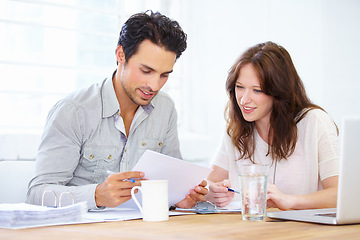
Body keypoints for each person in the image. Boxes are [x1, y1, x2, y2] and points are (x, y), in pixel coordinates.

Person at [27, 11, 207, 210]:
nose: (154, 85)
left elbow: (171, 185)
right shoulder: (74, 111)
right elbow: (37, 194)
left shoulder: (166, 109)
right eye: (146, 71)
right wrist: (96, 196)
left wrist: (178, 198)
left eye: (164, 75)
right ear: (121, 55)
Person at [205, 41, 339, 210]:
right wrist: (212, 191)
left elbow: (338, 194)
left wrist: (289, 201)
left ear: (279, 92)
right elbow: (208, 181)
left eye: (257, 90)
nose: (244, 100)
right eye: (240, 87)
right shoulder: (235, 128)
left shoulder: (314, 122)